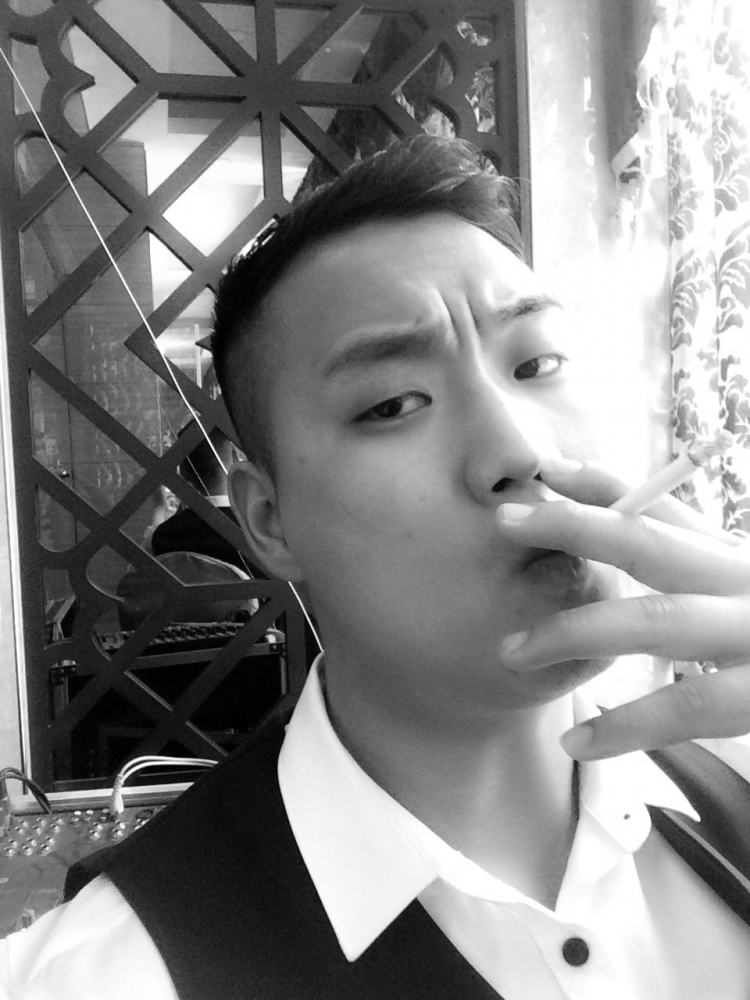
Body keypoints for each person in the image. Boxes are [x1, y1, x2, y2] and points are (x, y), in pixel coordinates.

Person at [3, 134, 750, 999]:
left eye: (536, 362)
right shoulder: (101, 975)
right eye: (393, 404)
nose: (521, 449)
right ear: (269, 520)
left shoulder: (734, 784)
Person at [150, 422, 266, 578]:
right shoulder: (261, 533)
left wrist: (160, 508)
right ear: (235, 460)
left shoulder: (163, 537)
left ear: (183, 471)